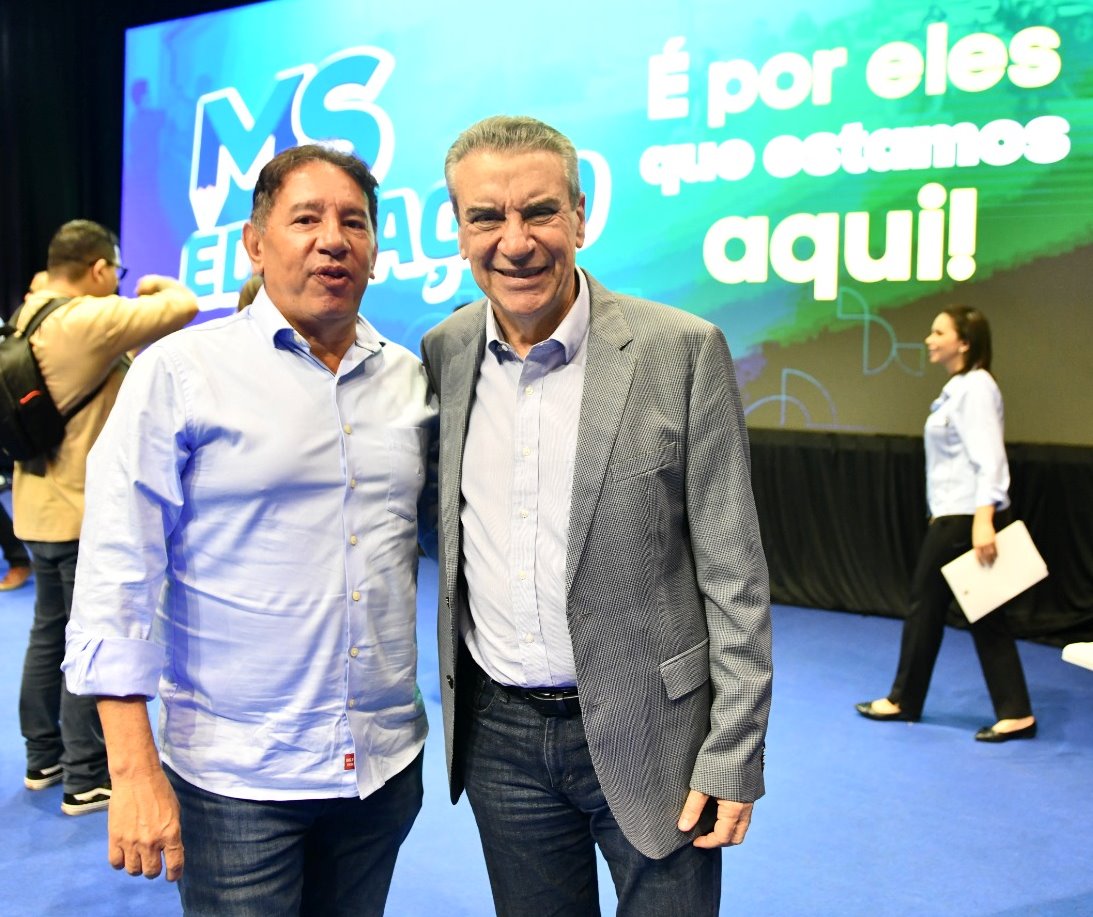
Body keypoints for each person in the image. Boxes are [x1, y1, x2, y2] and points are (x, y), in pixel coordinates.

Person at [63, 144, 437, 914]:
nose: (332, 239)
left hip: (381, 770)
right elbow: (115, 571)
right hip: (237, 785)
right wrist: (131, 770)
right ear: (255, 243)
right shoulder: (180, 371)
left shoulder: (407, 378)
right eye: (306, 218)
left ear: (374, 248)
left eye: (354, 222)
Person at [420, 115, 772, 917]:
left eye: (540, 211)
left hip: (658, 732)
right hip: (500, 740)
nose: (515, 241)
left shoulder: (680, 349)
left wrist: (734, 751)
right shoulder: (445, 350)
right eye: (486, 216)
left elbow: (735, 575)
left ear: (578, 217)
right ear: (460, 230)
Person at [15, 220, 198, 813]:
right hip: (78, 511)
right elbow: (183, 304)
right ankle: (86, 774)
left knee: (48, 633)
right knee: (87, 637)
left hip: (37, 506)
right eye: (114, 272)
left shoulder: (29, 312)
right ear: (98, 269)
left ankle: (43, 756)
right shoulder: (84, 320)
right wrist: (149, 283)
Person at [856, 305, 1037, 742]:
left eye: (939, 332)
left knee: (928, 606)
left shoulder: (977, 387)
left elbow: (990, 458)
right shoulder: (958, 388)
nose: (929, 339)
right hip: (956, 515)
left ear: (965, 342)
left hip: (965, 518)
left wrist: (984, 520)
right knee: (979, 612)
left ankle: (905, 699)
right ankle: (1014, 711)